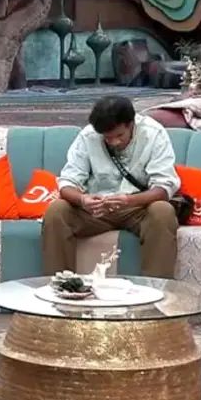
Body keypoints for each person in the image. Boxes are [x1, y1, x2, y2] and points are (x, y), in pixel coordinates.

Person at [41, 95, 181, 278]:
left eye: (119, 135)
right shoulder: (89, 135)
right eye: (107, 138)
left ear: (131, 124)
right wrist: (83, 200)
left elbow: (164, 187)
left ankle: (155, 289)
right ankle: (61, 286)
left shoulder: (154, 133)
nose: (114, 142)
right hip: (96, 210)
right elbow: (67, 182)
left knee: (163, 211)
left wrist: (129, 200)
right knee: (57, 210)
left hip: (137, 207)